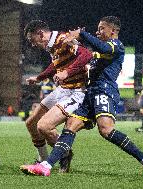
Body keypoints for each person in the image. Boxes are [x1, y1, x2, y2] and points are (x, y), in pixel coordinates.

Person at [20, 16, 143, 177]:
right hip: (89, 93)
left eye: (102, 28)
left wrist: (81, 34)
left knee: (106, 130)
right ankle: (46, 166)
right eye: (98, 28)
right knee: (70, 126)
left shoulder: (117, 46)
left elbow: (97, 51)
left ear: (114, 31)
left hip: (104, 91)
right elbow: (85, 56)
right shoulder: (95, 49)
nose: (98, 31)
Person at [21, 20, 92, 172]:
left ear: (40, 34)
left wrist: (67, 72)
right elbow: (56, 64)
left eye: (32, 40)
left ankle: (64, 153)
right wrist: (39, 77)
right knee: (31, 123)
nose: (33, 44)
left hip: (76, 91)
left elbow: (86, 54)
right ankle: (44, 159)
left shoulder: (63, 39)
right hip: (62, 90)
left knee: (44, 126)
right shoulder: (51, 45)